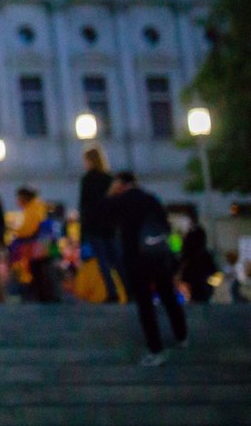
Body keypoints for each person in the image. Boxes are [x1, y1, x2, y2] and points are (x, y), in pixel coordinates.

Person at [101, 171, 187, 366]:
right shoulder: (150, 199)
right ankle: (181, 335)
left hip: (136, 258)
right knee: (168, 295)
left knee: (145, 304)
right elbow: (165, 225)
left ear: (120, 183)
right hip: (157, 254)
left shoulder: (120, 200)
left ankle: (156, 349)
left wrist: (110, 194)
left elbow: (102, 215)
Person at [78, 146, 122, 302]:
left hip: (94, 226)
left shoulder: (87, 179)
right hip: (109, 226)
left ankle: (112, 291)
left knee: (102, 260)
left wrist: (82, 231)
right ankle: (128, 289)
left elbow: (84, 206)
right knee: (116, 260)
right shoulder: (108, 179)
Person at [14, 186, 58, 302]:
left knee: (39, 274)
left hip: (40, 247)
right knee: (48, 272)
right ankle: (50, 297)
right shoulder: (41, 206)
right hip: (49, 245)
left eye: (18, 198)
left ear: (23, 198)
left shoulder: (32, 209)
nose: (17, 202)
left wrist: (16, 232)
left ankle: (44, 299)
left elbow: (28, 230)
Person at [177, 217, 217, 304]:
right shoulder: (206, 256)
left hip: (191, 291)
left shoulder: (187, 257)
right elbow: (215, 273)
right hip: (202, 291)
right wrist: (211, 286)